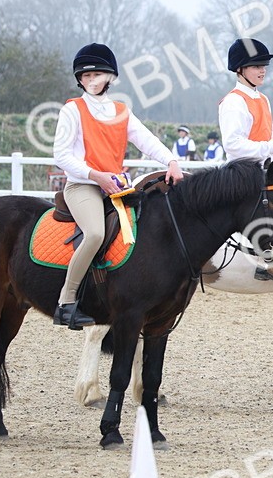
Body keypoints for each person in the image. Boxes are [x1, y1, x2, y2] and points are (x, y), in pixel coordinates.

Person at [52, 43, 184, 329]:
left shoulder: (121, 110)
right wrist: (96, 175)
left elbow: (147, 141)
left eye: (98, 74)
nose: (92, 80)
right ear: (80, 80)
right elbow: (61, 155)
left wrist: (171, 161)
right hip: (83, 186)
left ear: (110, 78)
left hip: (117, 188)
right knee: (96, 234)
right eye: (86, 76)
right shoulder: (72, 110)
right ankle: (66, 301)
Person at [218, 38, 273, 164]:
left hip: (263, 171)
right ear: (239, 69)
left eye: (264, 65)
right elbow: (232, 144)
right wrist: (271, 147)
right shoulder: (233, 101)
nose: (263, 70)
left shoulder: (263, 99)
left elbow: (266, 142)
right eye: (256, 66)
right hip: (241, 174)